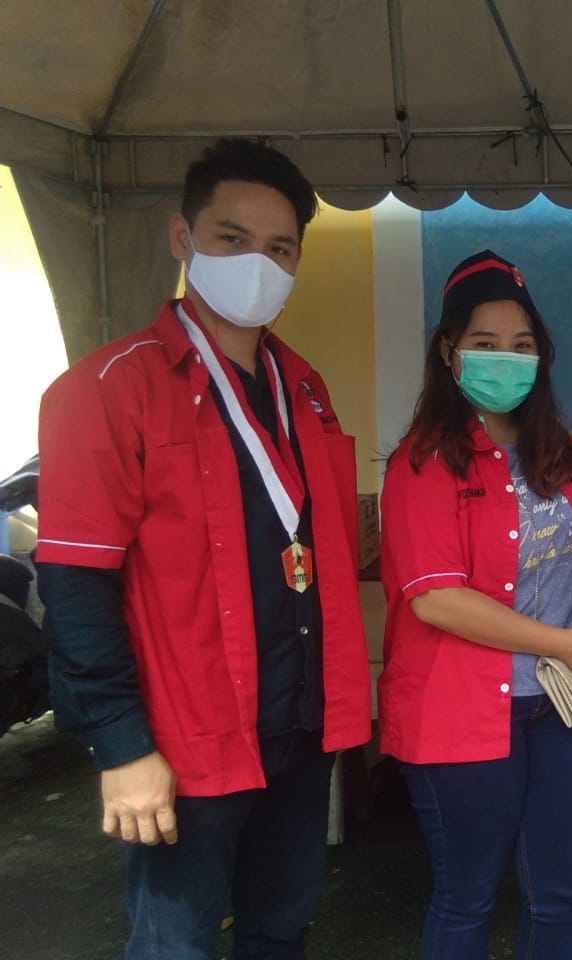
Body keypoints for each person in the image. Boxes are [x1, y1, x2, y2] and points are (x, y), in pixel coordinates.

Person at [36, 138, 372, 959]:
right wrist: (121, 745)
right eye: (232, 238)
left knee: (280, 931)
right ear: (182, 237)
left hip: (300, 726)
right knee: (175, 945)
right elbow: (75, 585)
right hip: (187, 741)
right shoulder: (109, 389)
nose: (258, 263)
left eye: (279, 248)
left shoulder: (305, 389)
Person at [378, 250, 572, 960]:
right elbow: (437, 600)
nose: (506, 360)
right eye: (485, 343)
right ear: (448, 351)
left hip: (560, 704)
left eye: (521, 346)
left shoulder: (562, 458)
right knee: (467, 898)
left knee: (562, 894)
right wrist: (565, 643)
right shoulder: (423, 462)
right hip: (460, 710)